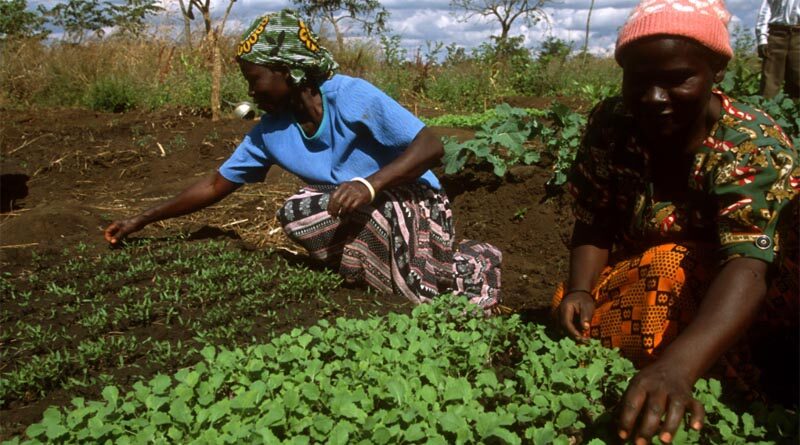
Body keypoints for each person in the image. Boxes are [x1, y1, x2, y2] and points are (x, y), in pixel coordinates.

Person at [104, 9, 502, 312]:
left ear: (289, 72)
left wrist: (370, 184)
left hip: (413, 202)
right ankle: (387, 275)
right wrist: (144, 219)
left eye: (255, 80)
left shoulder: (350, 95)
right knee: (298, 210)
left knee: (386, 239)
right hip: (361, 210)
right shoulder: (269, 132)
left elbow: (431, 145)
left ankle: (461, 267)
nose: (251, 92)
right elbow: (215, 184)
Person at [552, 0, 800, 443]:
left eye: (677, 79)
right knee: (569, 305)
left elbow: (749, 261)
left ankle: (727, 375)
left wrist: (677, 367)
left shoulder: (752, 144)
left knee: (668, 268)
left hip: (745, 293)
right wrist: (580, 289)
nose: (654, 98)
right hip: (647, 277)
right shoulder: (613, 125)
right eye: (639, 80)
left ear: (716, 71)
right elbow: (594, 217)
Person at [756, 0, 800, 98]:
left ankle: (794, 107)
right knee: (769, 83)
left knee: (797, 80)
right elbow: (766, 8)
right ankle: (766, 106)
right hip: (776, 34)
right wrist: (762, 38)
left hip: (798, 35)